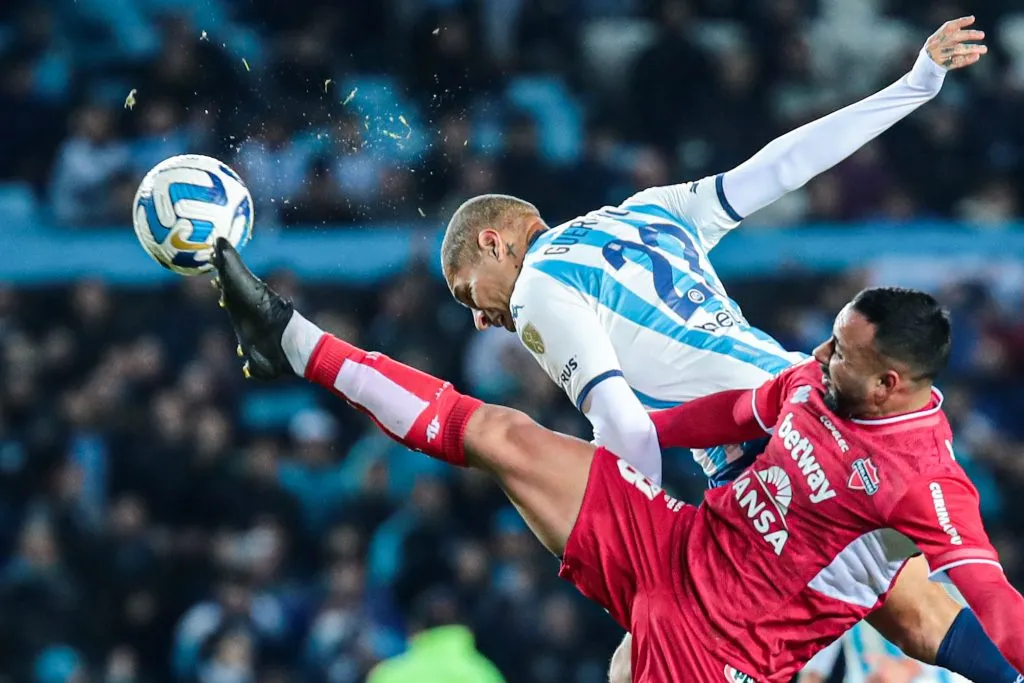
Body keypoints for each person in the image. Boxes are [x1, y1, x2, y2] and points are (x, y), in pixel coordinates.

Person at [439, 15, 1017, 683]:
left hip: (763, 458)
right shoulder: (646, 210)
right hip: (818, 409)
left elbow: (622, 424)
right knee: (920, 616)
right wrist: (914, 87)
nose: (480, 317)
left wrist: (641, 565)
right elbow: (784, 164)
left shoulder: (538, 286)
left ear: (494, 244)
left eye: (466, 293)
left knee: (647, 662)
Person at [208, 237, 1024, 681]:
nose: (818, 353)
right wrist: (633, 439)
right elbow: (738, 410)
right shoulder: (817, 380)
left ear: (890, 384)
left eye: (842, 353)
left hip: (721, 647)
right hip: (674, 542)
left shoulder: (925, 481)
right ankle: (289, 340)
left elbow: (981, 601)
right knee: (502, 433)